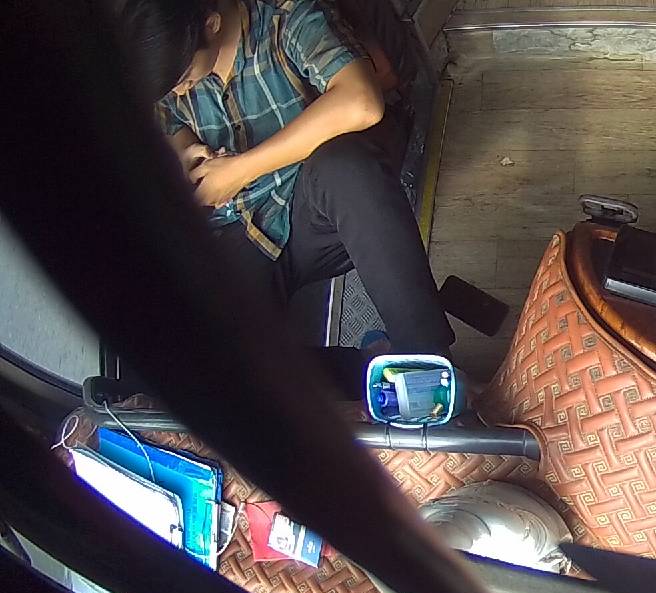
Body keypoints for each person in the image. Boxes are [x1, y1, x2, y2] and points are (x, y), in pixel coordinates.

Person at [107, 0, 455, 356]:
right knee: (202, 350)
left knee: (345, 166)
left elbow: (361, 102)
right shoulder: (167, 70)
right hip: (236, 234)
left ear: (211, 24)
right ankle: (369, 367)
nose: (181, 92)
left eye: (183, 80)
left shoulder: (286, 20)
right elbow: (170, 122)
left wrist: (241, 170)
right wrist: (186, 153)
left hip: (311, 211)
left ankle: (428, 359)